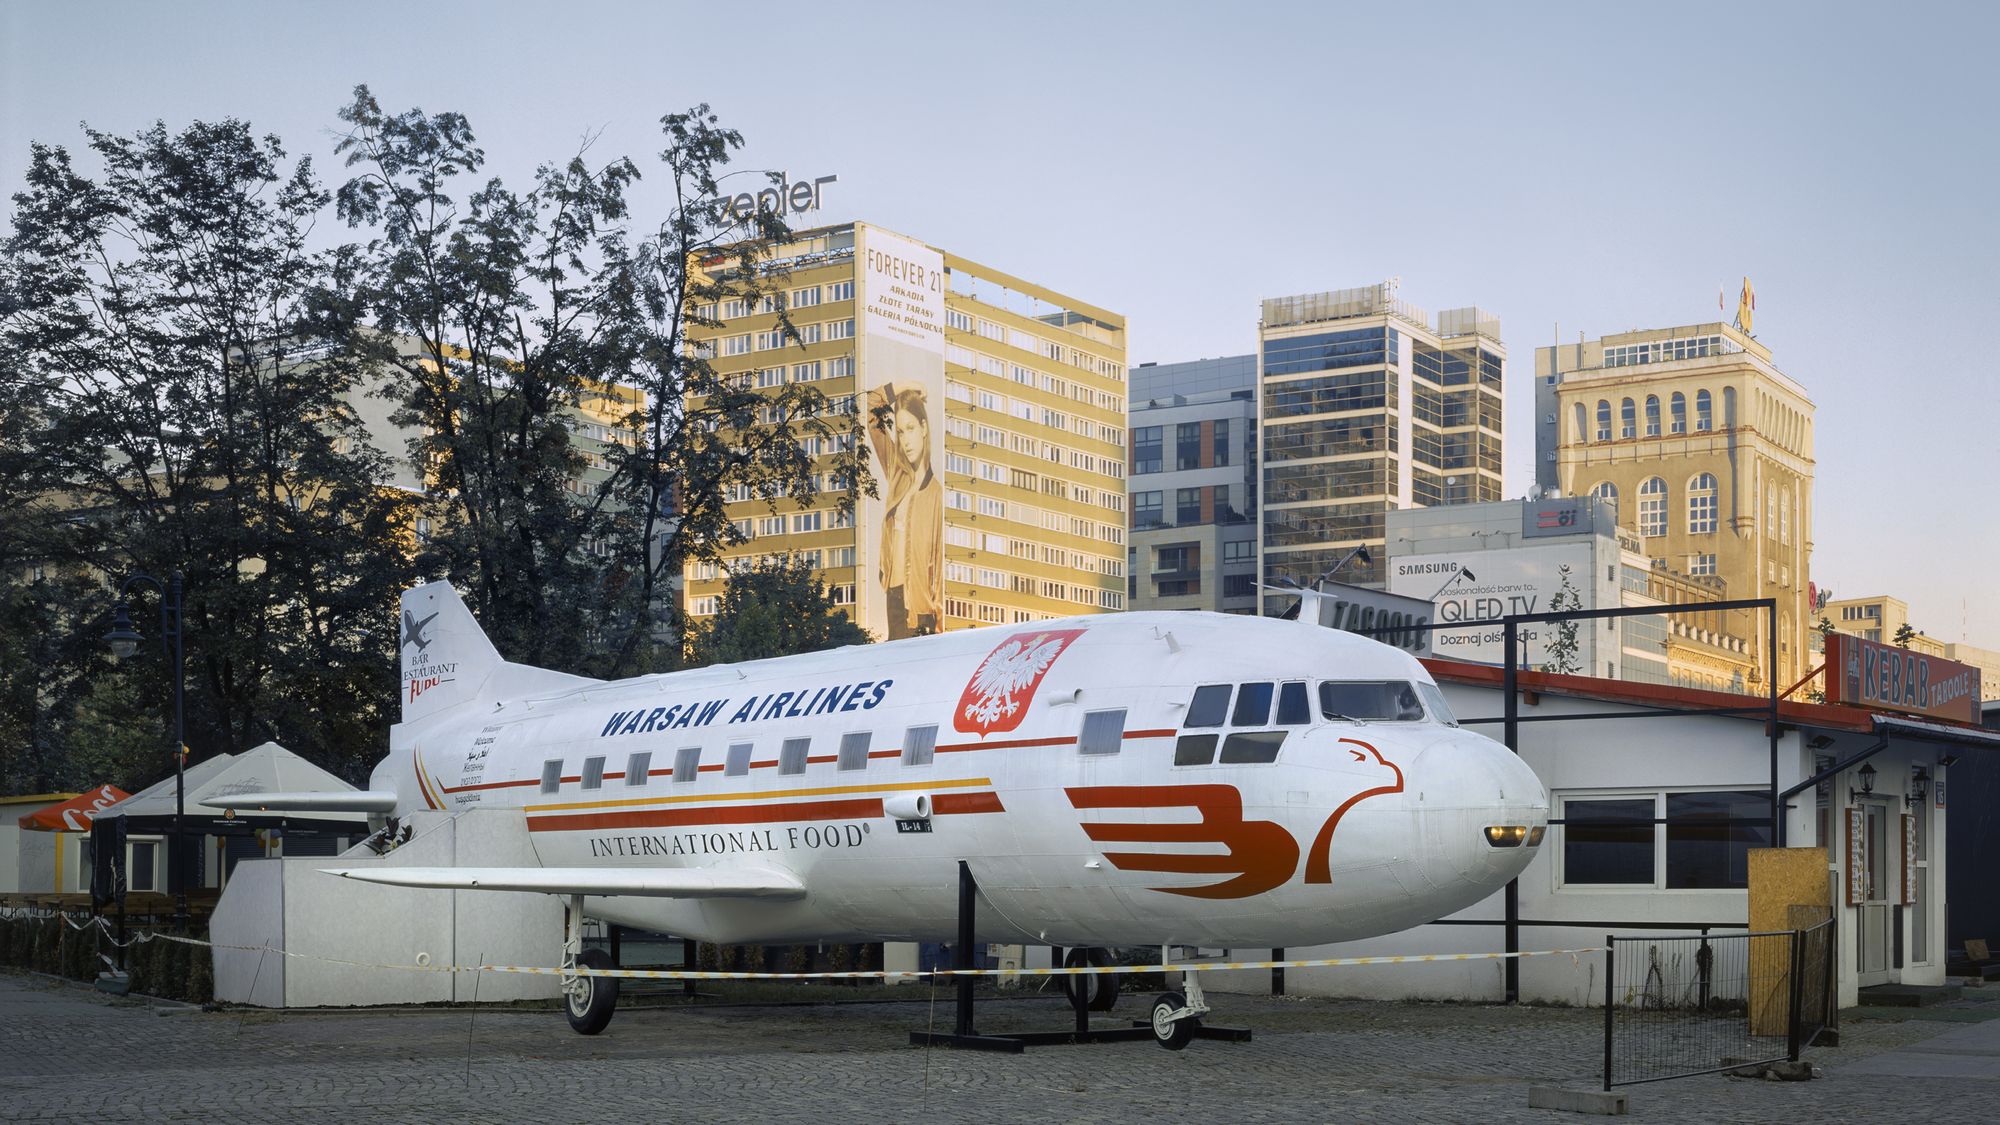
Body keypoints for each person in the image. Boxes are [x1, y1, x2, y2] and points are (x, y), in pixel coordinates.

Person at [866, 383, 943, 638]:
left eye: (910, 428)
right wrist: (905, 386)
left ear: (924, 428)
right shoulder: (897, 475)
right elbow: (871, 411)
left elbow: (939, 567)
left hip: (920, 610)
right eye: (900, 432)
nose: (906, 440)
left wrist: (939, 625)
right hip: (894, 596)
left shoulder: (935, 494)